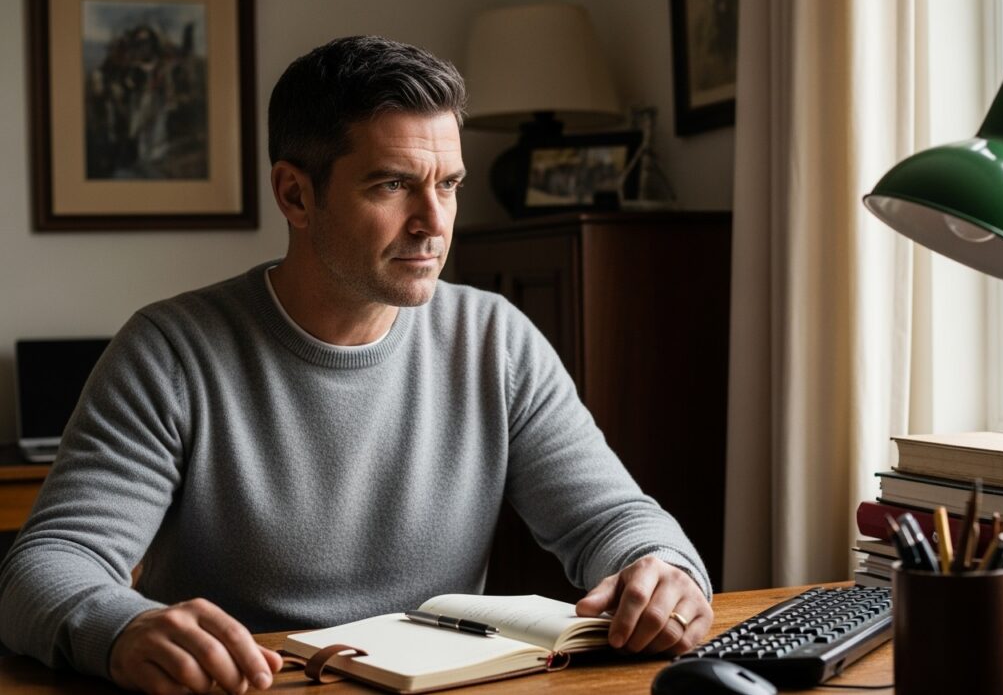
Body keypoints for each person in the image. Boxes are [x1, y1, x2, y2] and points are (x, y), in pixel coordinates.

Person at [0, 36, 713, 694]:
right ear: (295, 194)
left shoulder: (495, 339)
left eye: (449, 184)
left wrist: (663, 569)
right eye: (393, 185)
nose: (434, 222)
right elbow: (46, 564)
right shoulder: (170, 351)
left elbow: (613, 519)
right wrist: (121, 627)